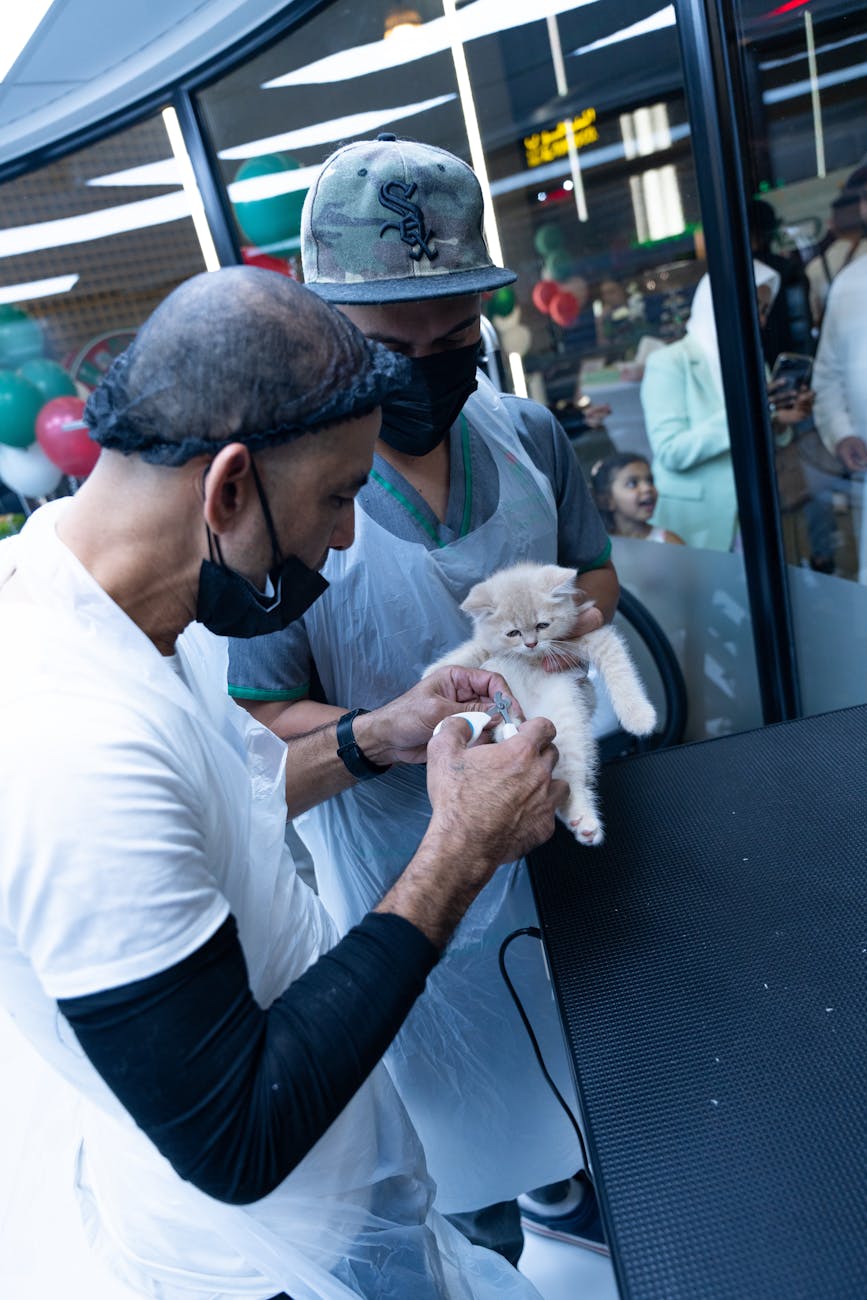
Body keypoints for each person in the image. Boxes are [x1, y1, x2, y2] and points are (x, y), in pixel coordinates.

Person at [0, 267, 570, 1300]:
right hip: (267, 1264)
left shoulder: (126, 610)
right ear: (228, 487)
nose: (345, 536)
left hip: (345, 1195)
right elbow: (238, 1134)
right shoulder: (73, 743)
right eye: (339, 496)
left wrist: (380, 733)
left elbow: (239, 799)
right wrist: (459, 847)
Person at [228, 134, 620, 1261]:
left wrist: (558, 641)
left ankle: (564, 1193)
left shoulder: (525, 434)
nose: (429, 370)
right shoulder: (287, 500)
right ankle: (490, 1239)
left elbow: (595, 575)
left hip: (557, 833)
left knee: (582, 1063)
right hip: (404, 878)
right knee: (454, 1136)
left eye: (454, 341)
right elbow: (259, 737)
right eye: (391, 348)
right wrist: (393, 731)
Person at [639, 261, 812, 549]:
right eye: (755, 307)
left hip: (755, 511)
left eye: (765, 310)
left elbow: (766, 430)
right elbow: (671, 451)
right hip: (698, 520)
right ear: (721, 303)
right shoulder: (669, 362)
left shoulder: (752, 361)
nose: (762, 320)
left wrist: (781, 420)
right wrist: (748, 410)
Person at [590, 451, 685, 544]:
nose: (647, 488)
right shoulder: (597, 544)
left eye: (650, 481)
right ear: (607, 500)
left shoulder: (669, 542)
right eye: (632, 483)